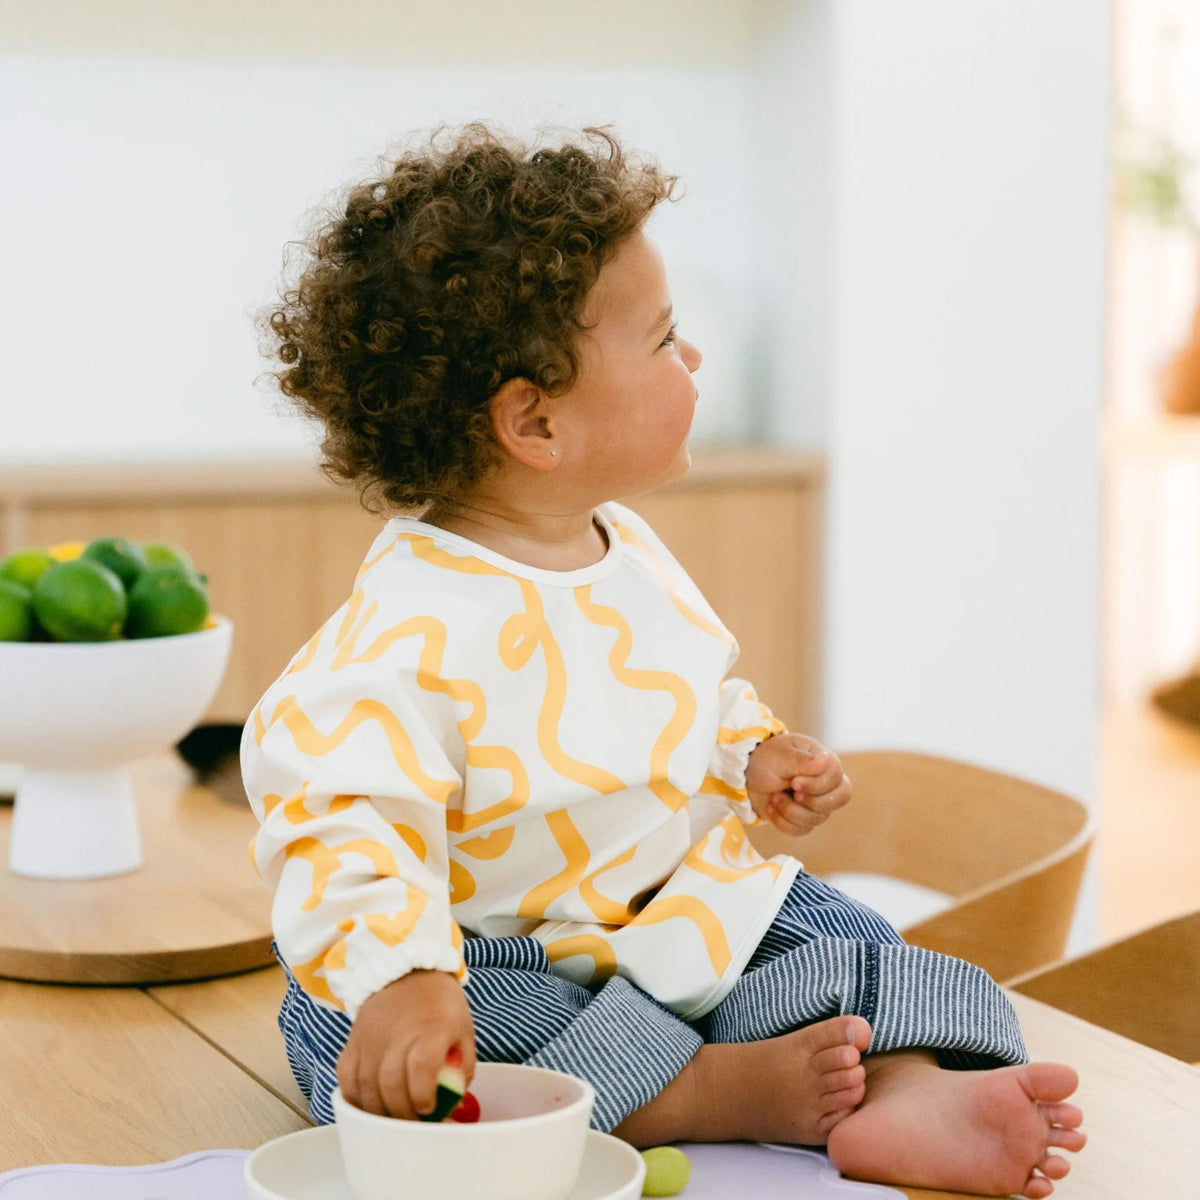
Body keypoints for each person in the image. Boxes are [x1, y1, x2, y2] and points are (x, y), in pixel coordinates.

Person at [242, 122, 1086, 1198]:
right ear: (535, 423)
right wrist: (403, 978)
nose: (693, 360)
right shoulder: (405, 627)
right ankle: (705, 1095)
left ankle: (909, 1082)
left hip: (670, 911)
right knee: (374, 1044)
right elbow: (336, 810)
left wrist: (752, 751)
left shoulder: (622, 544)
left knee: (836, 931)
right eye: (666, 340)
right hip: (501, 951)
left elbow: (686, 695)